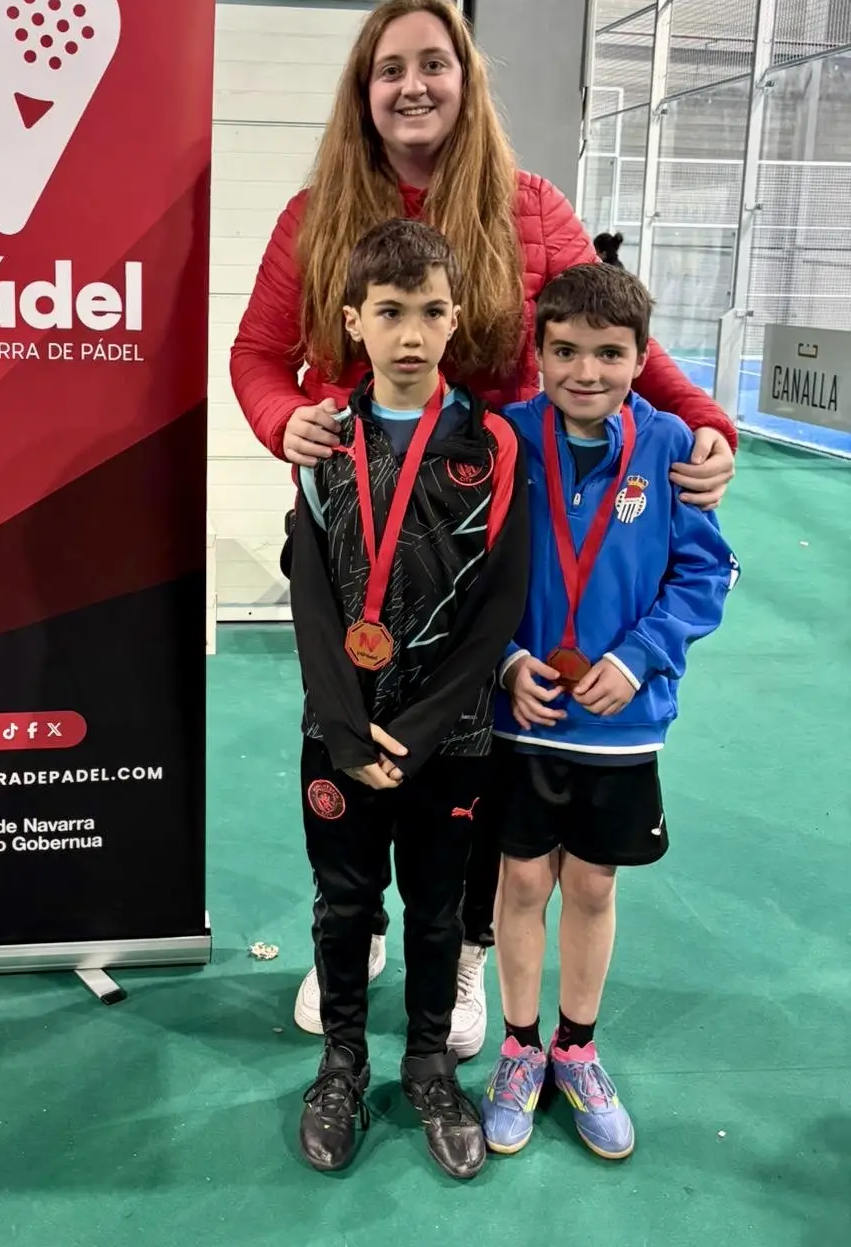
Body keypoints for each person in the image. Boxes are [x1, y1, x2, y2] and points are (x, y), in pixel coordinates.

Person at [230, 0, 738, 1056]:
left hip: (482, 517)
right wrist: (286, 421)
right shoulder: (315, 214)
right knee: (349, 711)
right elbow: (257, 355)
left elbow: (610, 325)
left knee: (468, 743)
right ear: (363, 92)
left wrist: (701, 420)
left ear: (466, 81)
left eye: (434, 64)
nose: (413, 85)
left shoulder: (529, 205)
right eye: (390, 69)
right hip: (358, 514)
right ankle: (356, 926)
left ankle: (461, 946)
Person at [480, 264, 738, 1162]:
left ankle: (577, 1048)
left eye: (608, 353)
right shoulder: (504, 439)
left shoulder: (670, 447)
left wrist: (636, 659)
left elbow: (705, 573)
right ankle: (519, 1047)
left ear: (641, 357)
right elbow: (469, 573)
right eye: (564, 351)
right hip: (525, 716)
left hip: (623, 724)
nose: (585, 371)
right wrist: (506, 660)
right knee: (521, 884)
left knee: (592, 886)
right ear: (538, 353)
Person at [289, 218, 528, 1178]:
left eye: (431, 312)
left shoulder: (491, 444)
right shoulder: (323, 440)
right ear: (354, 321)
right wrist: (347, 732)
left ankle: (429, 1063)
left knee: (437, 907)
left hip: (452, 739)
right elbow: (310, 595)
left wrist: (422, 731)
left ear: (456, 318)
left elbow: (500, 601)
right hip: (338, 732)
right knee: (345, 903)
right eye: (389, 313)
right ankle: (342, 1063)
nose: (412, 334)